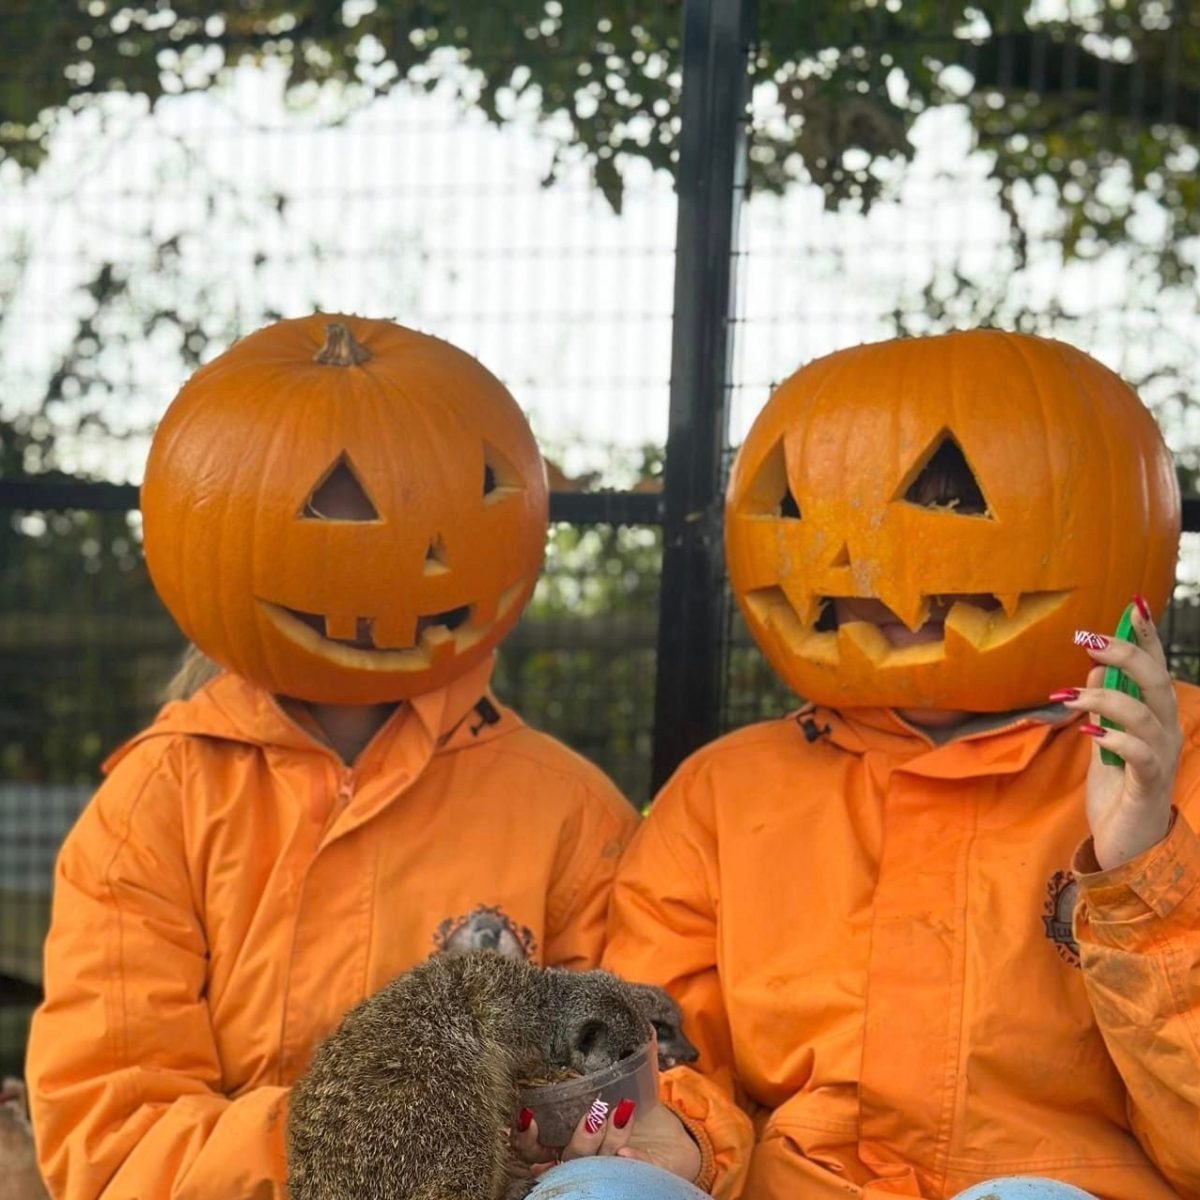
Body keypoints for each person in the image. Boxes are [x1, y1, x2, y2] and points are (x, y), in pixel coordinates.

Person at [25, 314, 640, 1199]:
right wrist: (375, 1154)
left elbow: (628, 1078)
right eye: (321, 519)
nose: (388, 573)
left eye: (437, 517)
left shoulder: (569, 810)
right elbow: (114, 1132)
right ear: (220, 524)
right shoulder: (155, 805)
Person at [583, 330, 1198, 1200]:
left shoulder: (1182, 758)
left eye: (951, 503)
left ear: (1099, 510)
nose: (869, 550)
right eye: (802, 502)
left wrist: (1140, 873)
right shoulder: (727, 791)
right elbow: (666, 1051)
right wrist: (676, 1136)